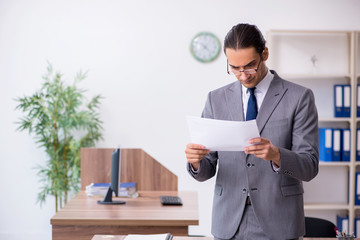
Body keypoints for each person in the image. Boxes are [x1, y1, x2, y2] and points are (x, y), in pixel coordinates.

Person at [185, 23, 319, 240]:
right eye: (234, 68)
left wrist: (277, 155)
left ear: (264, 53)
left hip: (280, 220)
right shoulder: (216, 99)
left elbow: (310, 166)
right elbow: (207, 167)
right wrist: (196, 162)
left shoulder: (299, 97)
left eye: (250, 66)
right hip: (228, 220)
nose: (243, 75)